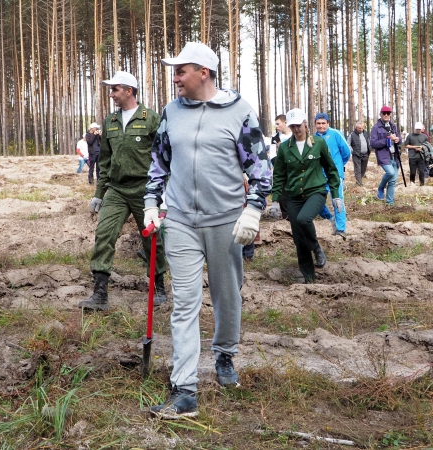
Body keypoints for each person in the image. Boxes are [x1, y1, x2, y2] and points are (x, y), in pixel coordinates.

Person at [144, 42, 271, 419]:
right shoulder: (171, 112)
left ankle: (225, 355)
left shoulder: (239, 112)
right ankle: (184, 390)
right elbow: (158, 162)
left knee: (226, 294)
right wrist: (152, 202)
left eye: (181, 70)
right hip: (181, 220)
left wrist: (253, 211)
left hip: (225, 221)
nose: (175, 77)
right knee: (184, 303)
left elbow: (261, 170)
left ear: (204, 72)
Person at [78, 70, 167, 311]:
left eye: (115, 89)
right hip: (116, 190)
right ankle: (99, 293)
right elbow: (105, 161)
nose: (111, 94)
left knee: (153, 240)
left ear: (129, 90)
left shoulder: (152, 119)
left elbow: (163, 157)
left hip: (145, 190)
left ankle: (159, 287)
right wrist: (99, 193)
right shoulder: (110, 122)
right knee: (104, 234)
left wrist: (164, 193)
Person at [270, 108, 341, 284]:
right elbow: (279, 175)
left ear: (305, 124)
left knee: (303, 219)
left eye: (298, 125)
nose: (296, 129)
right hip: (294, 196)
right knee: (298, 237)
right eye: (292, 126)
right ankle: (309, 277)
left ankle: (316, 248)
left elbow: (331, 169)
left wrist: (336, 195)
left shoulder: (318, 143)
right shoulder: (285, 148)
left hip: (315, 192)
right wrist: (275, 200)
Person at [314, 112, 350, 238]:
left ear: (328, 123)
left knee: (337, 200)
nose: (321, 126)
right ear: (315, 124)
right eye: (318, 123)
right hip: (319, 175)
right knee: (315, 200)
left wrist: (338, 165)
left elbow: (346, 152)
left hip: (335, 174)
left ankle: (341, 228)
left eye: (323, 123)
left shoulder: (335, 134)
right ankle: (329, 217)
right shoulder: (312, 138)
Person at [370, 105, 402, 206]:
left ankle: (389, 202)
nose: (386, 115)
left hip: (395, 156)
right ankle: (381, 187)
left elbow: (399, 138)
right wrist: (387, 140)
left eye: (388, 113)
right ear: (381, 114)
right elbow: (373, 143)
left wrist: (398, 139)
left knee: (393, 181)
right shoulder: (376, 128)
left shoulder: (393, 126)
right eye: (384, 113)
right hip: (383, 155)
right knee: (391, 172)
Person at [405, 122, 429, 186]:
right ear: (415, 129)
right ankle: (412, 183)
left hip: (421, 156)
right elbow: (406, 145)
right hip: (412, 156)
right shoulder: (410, 136)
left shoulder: (425, 136)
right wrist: (414, 147)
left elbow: (427, 145)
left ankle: (422, 185)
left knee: (421, 172)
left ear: (421, 129)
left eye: (419, 129)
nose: (418, 130)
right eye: (417, 129)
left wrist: (422, 148)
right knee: (413, 172)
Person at [347, 121, 371, 187]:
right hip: (356, 155)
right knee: (357, 169)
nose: (361, 129)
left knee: (363, 169)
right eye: (359, 128)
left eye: (362, 128)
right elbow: (348, 144)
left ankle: (359, 180)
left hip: (365, 154)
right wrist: (353, 151)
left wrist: (369, 148)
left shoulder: (365, 133)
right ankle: (359, 183)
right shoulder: (352, 135)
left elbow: (368, 141)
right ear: (356, 128)